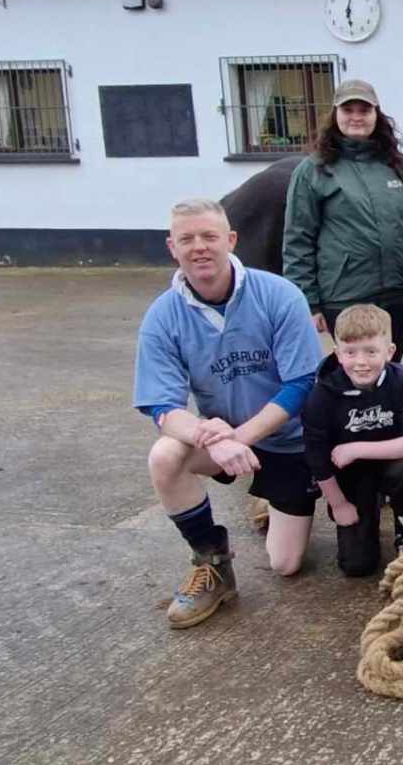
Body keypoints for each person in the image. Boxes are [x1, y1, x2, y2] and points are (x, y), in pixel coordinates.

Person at [133, 198, 323, 629]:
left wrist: (239, 438)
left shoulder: (279, 295)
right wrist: (207, 434)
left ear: (231, 240)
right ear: (172, 247)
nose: (199, 247)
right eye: (187, 239)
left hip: (287, 440)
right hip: (224, 442)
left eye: (209, 236)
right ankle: (212, 563)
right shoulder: (163, 316)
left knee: (286, 564)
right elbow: (162, 406)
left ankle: (269, 493)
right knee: (165, 456)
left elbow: (301, 385)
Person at [283, 78, 403, 362]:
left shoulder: (398, 167)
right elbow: (298, 240)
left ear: (376, 116)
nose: (356, 117)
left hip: (399, 294)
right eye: (348, 109)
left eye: (364, 110)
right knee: (358, 373)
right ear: (335, 115)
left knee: (389, 373)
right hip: (345, 295)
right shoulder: (313, 170)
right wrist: (309, 302)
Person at [302, 304, 403, 577]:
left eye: (371, 351)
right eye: (350, 352)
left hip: (393, 461)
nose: (361, 362)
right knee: (357, 565)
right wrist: (338, 503)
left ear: (390, 351)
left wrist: (357, 447)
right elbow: (316, 456)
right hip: (351, 473)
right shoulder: (322, 393)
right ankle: (366, 512)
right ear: (338, 354)